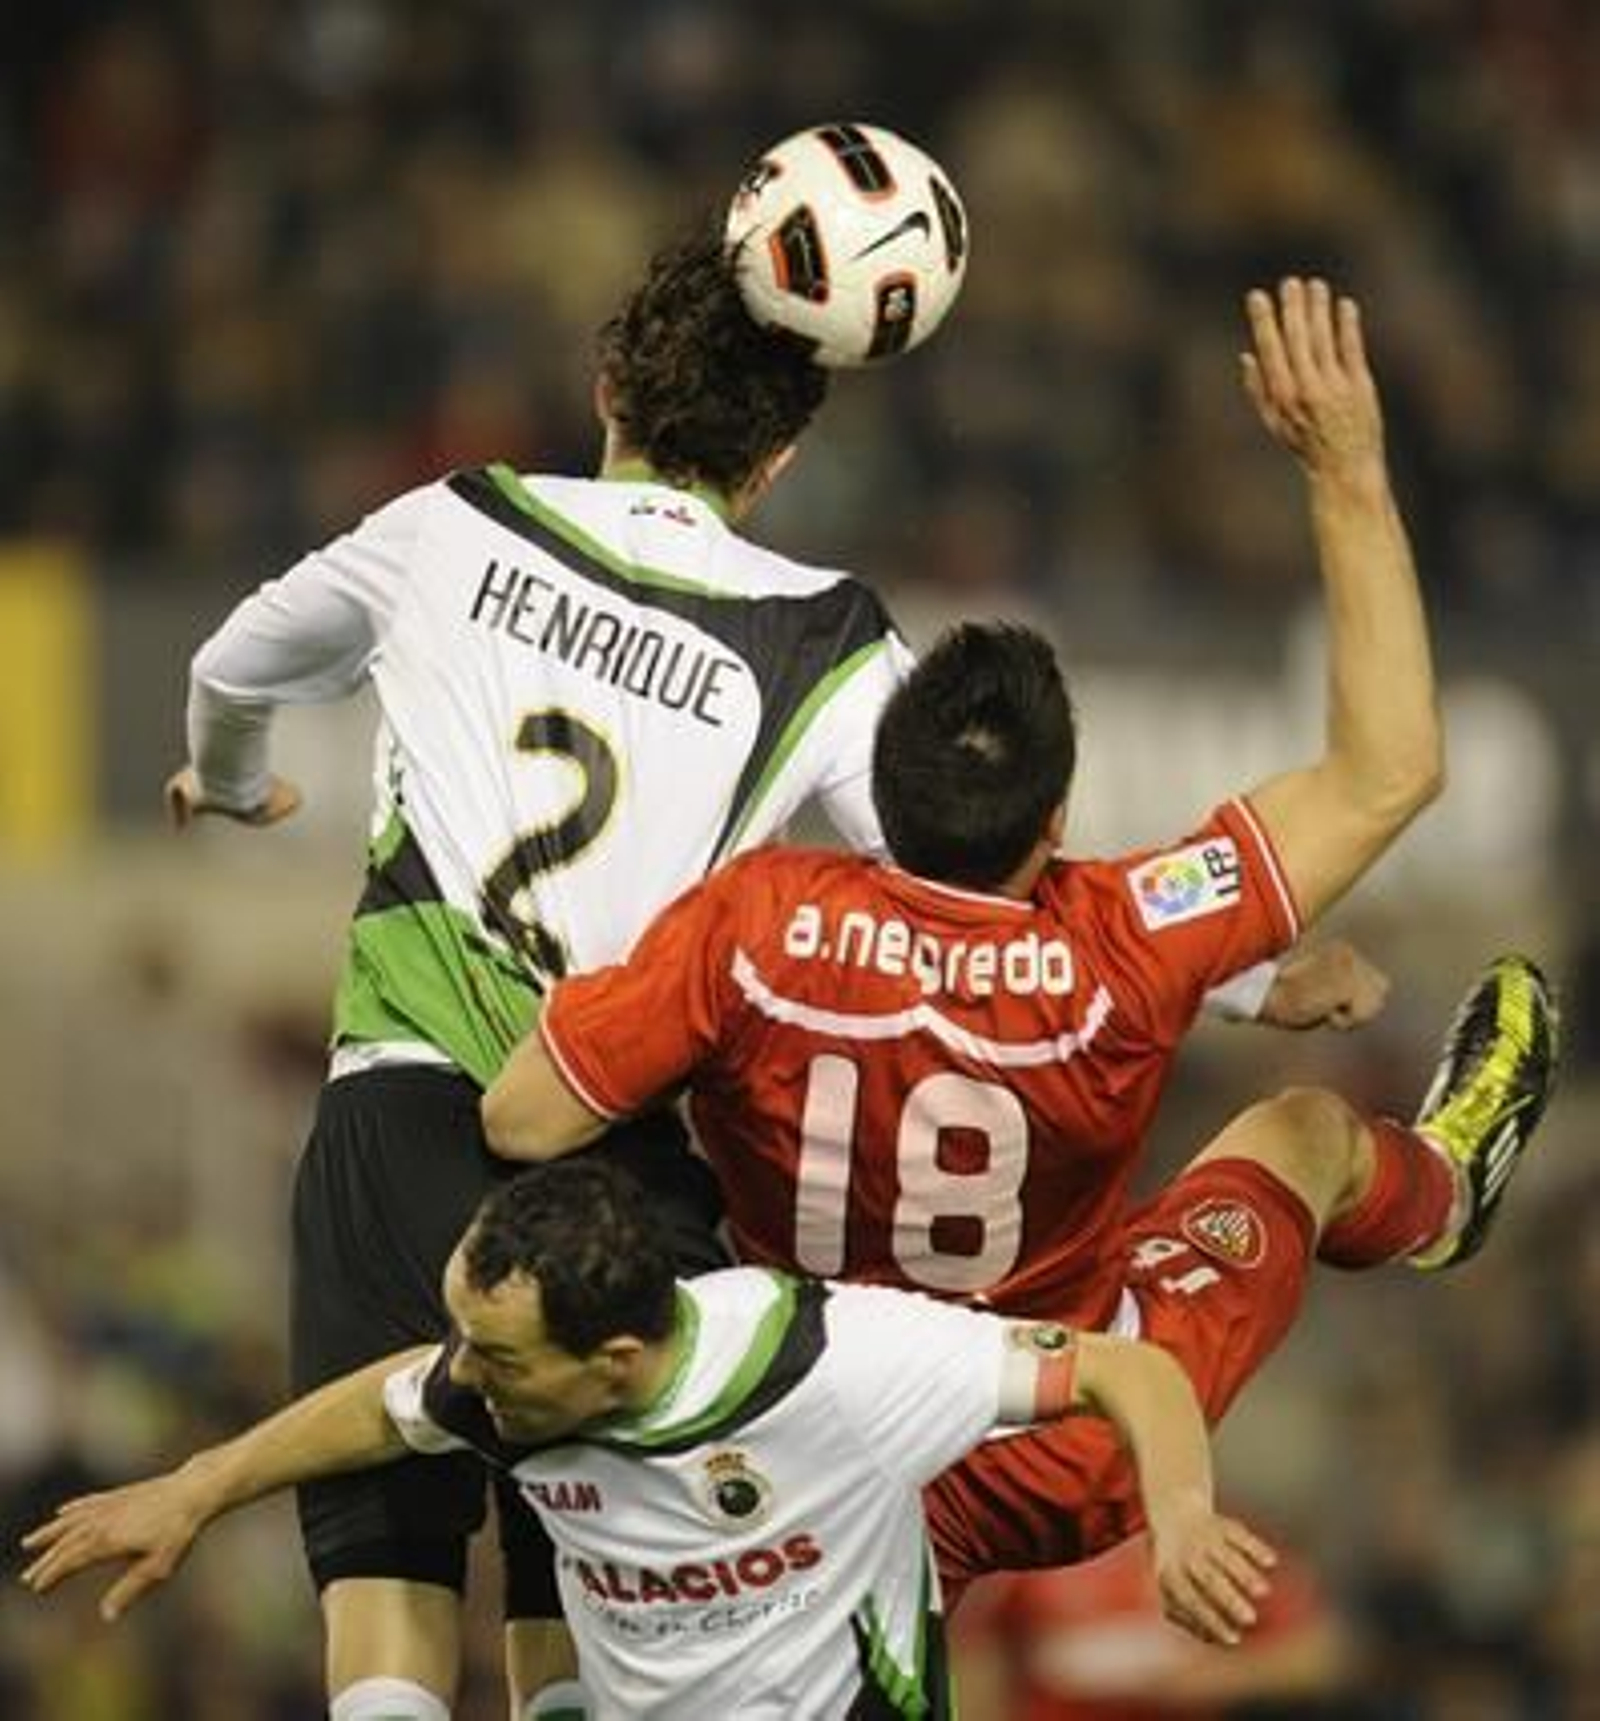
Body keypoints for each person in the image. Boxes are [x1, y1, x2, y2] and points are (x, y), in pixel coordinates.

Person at [162, 215, 1370, 1720]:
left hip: (400, 1105)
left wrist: (229, 777)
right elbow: (970, 878)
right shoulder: (821, 633)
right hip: (616, 1159)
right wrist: (1242, 978)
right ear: (780, 462)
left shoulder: (454, 520)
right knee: (584, 1606)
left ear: (606, 385)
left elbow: (231, 665)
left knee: (387, 1591)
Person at [481, 280, 1561, 1600]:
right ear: (1054, 818)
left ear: (885, 777)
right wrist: (1344, 468)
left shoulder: (753, 922)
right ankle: (1442, 1192)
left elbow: (528, 1120)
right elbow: (1390, 768)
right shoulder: (1130, 935)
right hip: (1064, 1436)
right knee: (1306, 1137)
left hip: (804, 1428)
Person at [21, 1160, 1276, 1721]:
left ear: (613, 1362)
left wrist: (1177, 1516)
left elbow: (1127, 1366)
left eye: (499, 1357)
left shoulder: (832, 1359)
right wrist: (194, 1488)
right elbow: (380, 1404)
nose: (467, 1378)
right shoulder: (501, 1386)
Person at [951, 1536, 1352, 1720]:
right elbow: (973, 1665)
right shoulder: (1030, 1548)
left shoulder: (1221, 1542)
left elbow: (1320, 1655)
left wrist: (1212, 1678)